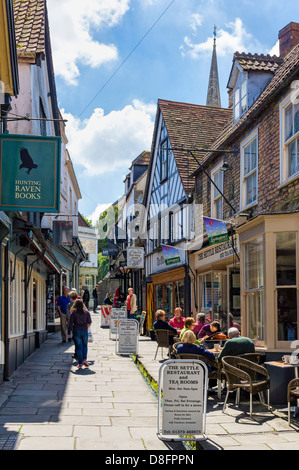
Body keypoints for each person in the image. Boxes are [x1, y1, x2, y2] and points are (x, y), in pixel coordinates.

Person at [68, 299, 92, 369]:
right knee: (85, 345)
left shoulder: (73, 313)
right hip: (84, 331)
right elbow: (89, 322)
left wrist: (68, 333)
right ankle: (84, 359)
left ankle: (80, 363)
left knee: (78, 347)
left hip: (76, 331)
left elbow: (70, 324)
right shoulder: (87, 313)